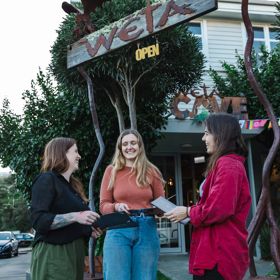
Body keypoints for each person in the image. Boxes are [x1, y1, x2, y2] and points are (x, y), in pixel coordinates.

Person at [164, 113, 252, 280]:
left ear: (221, 134)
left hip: (220, 253)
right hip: (213, 251)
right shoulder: (224, 163)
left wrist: (188, 211)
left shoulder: (228, 165)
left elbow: (218, 209)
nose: (203, 138)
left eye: (206, 133)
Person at [30, 137, 102, 280]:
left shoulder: (72, 187)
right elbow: (38, 221)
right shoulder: (47, 179)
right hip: (54, 252)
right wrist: (76, 216)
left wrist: (89, 229)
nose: (79, 156)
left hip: (74, 252)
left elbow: (71, 223)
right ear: (62, 153)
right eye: (75, 151)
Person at [100, 129, 165, 280]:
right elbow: (103, 205)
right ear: (120, 148)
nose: (129, 147)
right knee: (116, 276)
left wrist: (164, 209)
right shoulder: (111, 171)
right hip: (119, 228)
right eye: (125, 144)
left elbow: (160, 205)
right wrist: (115, 207)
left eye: (133, 143)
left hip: (146, 228)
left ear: (140, 146)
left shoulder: (151, 171)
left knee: (145, 277)